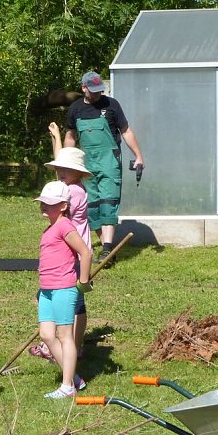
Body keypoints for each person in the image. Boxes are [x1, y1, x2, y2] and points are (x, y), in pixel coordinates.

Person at [63, 71, 144, 266]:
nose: (97, 93)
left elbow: (126, 131)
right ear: (84, 88)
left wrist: (138, 156)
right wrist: (66, 161)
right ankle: (109, 249)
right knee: (92, 207)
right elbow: (71, 136)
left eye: (99, 90)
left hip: (109, 162)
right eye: (93, 90)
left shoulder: (112, 105)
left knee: (108, 203)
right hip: (86, 165)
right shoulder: (75, 109)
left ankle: (106, 249)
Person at [30, 128, 92, 367]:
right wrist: (56, 139)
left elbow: (58, 198)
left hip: (72, 251)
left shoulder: (72, 192)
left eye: (66, 169)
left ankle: (67, 346)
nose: (60, 173)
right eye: (59, 169)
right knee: (76, 303)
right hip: (70, 249)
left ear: (79, 172)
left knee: (70, 301)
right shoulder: (73, 186)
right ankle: (71, 346)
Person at [35, 180, 92, 399]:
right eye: (42, 202)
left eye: (50, 203)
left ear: (63, 206)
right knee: (46, 335)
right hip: (47, 289)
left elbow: (85, 252)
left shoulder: (65, 226)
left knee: (65, 335)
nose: (44, 206)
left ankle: (67, 386)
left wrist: (83, 281)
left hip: (63, 287)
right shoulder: (50, 228)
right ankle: (74, 377)